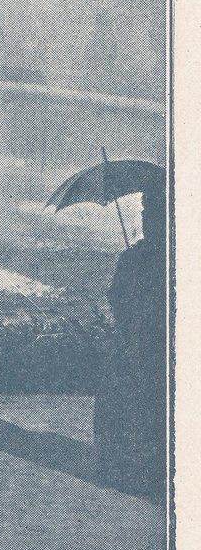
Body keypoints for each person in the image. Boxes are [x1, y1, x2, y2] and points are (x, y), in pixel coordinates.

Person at [95, 177, 167, 495]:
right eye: (145, 214)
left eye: (153, 214)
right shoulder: (136, 257)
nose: (147, 220)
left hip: (145, 343)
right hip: (139, 340)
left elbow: (116, 296)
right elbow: (116, 295)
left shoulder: (142, 257)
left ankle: (130, 467)